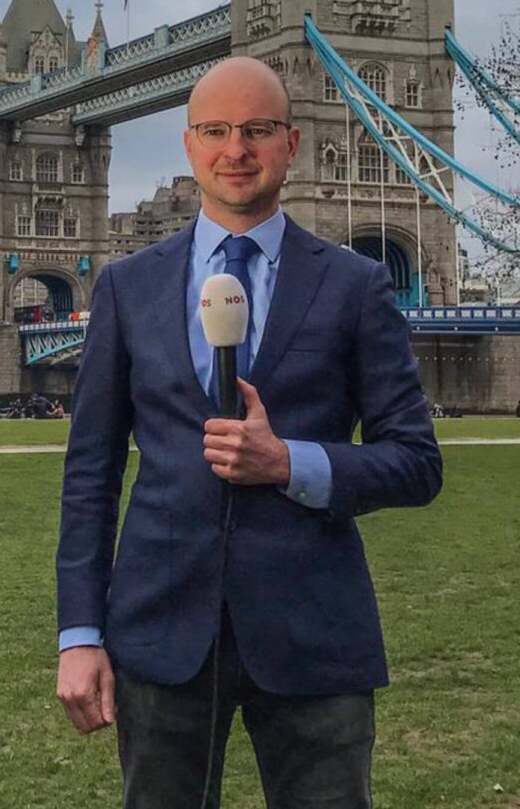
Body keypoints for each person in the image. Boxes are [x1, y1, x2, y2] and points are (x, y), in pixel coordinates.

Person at [55, 57, 441, 807]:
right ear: (189, 145)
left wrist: (289, 462)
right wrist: (79, 633)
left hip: (313, 632)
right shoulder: (127, 288)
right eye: (216, 131)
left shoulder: (356, 285)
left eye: (258, 130)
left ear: (291, 144)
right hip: (159, 628)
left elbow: (416, 462)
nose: (236, 149)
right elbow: (90, 474)